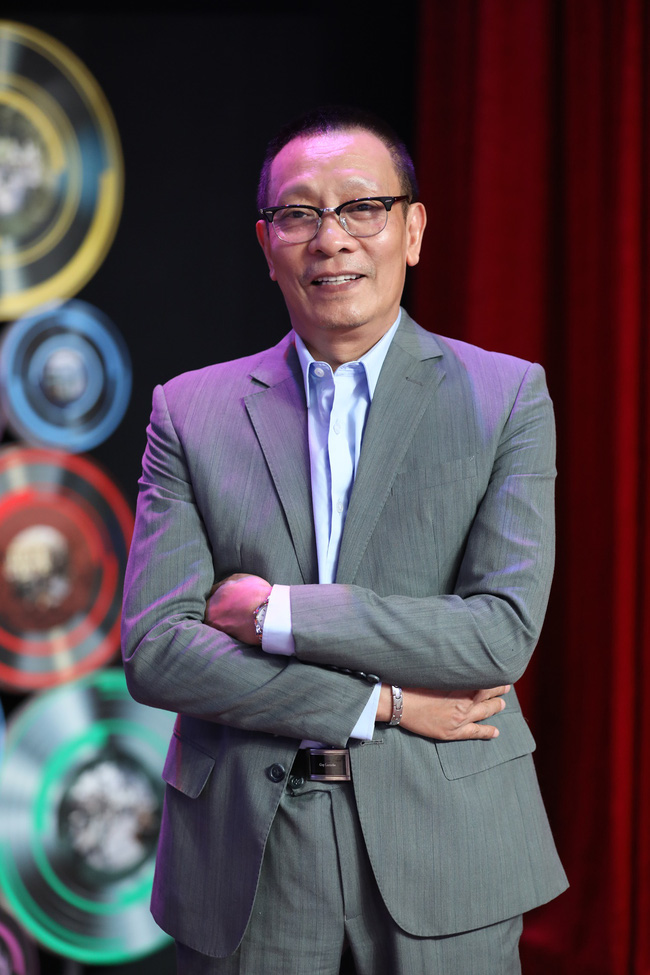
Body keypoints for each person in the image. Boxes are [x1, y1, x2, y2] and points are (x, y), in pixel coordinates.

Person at [121, 105, 567, 975]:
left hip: (450, 841)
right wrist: (380, 704)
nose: (331, 238)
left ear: (413, 231)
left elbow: (498, 635)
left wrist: (278, 613)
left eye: (363, 207)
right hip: (247, 858)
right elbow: (158, 652)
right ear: (267, 246)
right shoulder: (189, 411)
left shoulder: (506, 397)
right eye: (299, 213)